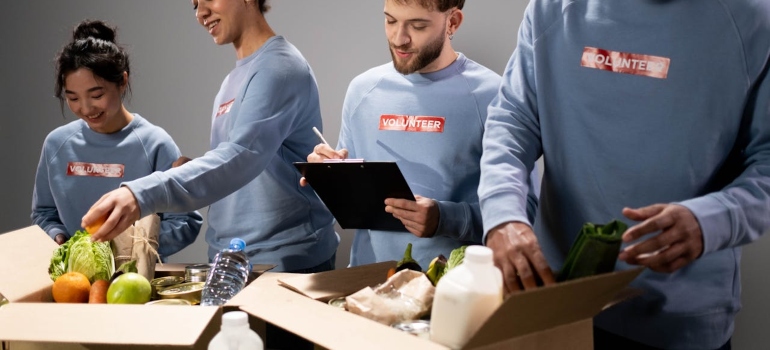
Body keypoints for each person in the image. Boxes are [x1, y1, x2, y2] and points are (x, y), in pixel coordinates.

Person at [478, 0, 770, 349]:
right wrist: (503, 215)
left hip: (677, 324)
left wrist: (713, 221)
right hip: (556, 302)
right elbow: (513, 121)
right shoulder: (550, 9)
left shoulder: (754, 20)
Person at [81, 0, 339, 274]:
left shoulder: (279, 68)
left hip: (283, 263)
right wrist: (194, 166)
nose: (200, 13)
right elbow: (243, 160)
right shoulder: (233, 80)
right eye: (194, 5)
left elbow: (241, 157)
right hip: (230, 259)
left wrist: (140, 195)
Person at [306, 0, 538, 269]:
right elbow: (351, 204)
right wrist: (326, 175)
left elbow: (526, 210)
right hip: (368, 287)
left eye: (417, 26)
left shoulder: (493, 95)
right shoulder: (362, 91)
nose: (399, 38)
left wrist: (444, 218)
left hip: (455, 290)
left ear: (452, 22)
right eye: (390, 21)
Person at [32, 20, 202, 260]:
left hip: (136, 284)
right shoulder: (56, 144)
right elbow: (44, 213)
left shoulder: (154, 144)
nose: (86, 108)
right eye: (73, 98)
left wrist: (129, 248)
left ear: (122, 81)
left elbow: (185, 221)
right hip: (74, 283)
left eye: (97, 95)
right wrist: (58, 236)